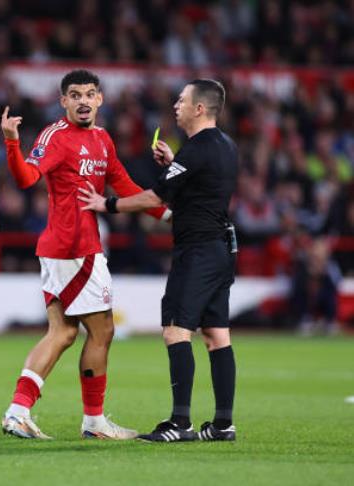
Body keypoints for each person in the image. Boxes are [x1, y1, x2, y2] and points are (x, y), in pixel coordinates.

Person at [0, 69, 170, 440]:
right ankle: (93, 421)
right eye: (74, 95)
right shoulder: (56, 136)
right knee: (102, 330)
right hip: (74, 248)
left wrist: (164, 212)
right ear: (63, 102)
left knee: (62, 332)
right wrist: (12, 142)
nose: (82, 101)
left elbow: (122, 183)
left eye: (89, 94)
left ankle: (18, 411)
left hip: (71, 247)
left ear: (100, 99)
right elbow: (27, 178)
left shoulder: (102, 139)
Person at [79, 79, 239, 442]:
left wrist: (109, 204)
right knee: (216, 336)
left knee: (175, 331)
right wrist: (173, 163)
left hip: (196, 251)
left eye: (182, 101)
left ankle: (180, 424)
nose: (176, 106)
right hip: (221, 249)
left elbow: (155, 197)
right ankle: (222, 424)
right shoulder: (225, 146)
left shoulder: (196, 149)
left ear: (200, 108)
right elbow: (198, 189)